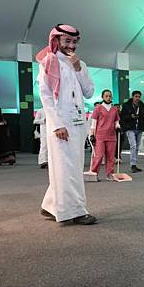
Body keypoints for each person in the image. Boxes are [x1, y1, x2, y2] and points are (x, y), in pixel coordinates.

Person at [36, 24, 96, 224]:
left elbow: (89, 92)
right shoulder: (48, 62)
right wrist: (57, 125)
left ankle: (50, 205)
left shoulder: (80, 64)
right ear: (57, 40)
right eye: (67, 41)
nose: (71, 45)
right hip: (61, 125)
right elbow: (46, 97)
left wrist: (78, 68)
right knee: (65, 168)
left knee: (71, 167)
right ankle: (75, 212)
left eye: (74, 42)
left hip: (79, 123)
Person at [90, 89, 120, 181]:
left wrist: (118, 126)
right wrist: (92, 135)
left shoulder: (114, 109)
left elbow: (116, 121)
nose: (108, 97)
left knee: (111, 156)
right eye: (106, 96)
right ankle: (94, 173)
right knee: (99, 155)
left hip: (111, 135)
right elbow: (94, 123)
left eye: (110, 96)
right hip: (100, 135)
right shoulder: (98, 108)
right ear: (102, 97)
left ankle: (110, 174)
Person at [120, 90, 144, 173]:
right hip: (130, 128)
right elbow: (122, 117)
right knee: (133, 146)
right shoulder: (126, 105)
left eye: (139, 97)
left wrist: (143, 125)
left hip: (139, 128)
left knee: (137, 147)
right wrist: (130, 116)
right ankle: (133, 164)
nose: (137, 98)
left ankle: (134, 164)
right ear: (132, 96)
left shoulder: (142, 105)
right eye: (136, 96)